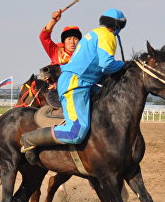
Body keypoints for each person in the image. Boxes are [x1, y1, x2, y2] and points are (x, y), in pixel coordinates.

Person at [20, 9, 127, 159]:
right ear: (120, 26)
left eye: (74, 38)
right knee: (76, 133)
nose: (72, 41)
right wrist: (124, 65)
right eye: (68, 38)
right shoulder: (108, 36)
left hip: (84, 83)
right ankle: (30, 138)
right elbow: (107, 64)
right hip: (74, 85)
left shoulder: (93, 34)